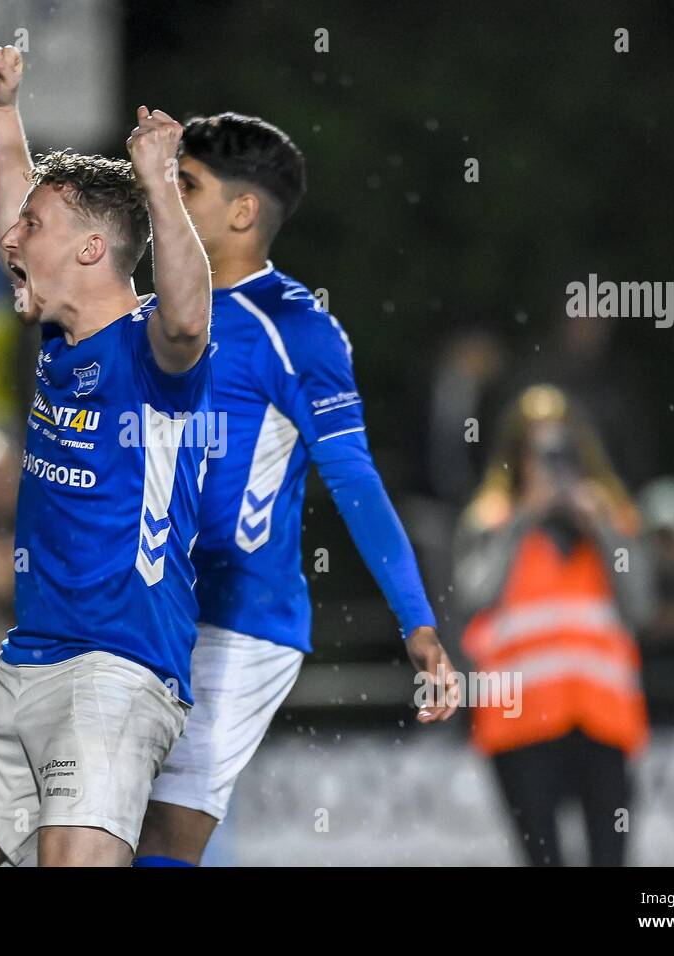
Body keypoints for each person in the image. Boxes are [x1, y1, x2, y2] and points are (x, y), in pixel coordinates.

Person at [0, 45, 212, 867]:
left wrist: (163, 187)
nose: (13, 240)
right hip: (28, 657)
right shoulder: (62, 339)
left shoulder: (150, 345)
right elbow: (14, 232)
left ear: (94, 251)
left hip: (118, 667)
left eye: (36, 226)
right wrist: (0, 117)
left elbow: (190, 316)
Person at [132, 113, 457, 867]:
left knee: (165, 838)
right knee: (94, 829)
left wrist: (416, 620)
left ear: (243, 212)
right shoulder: (151, 317)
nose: (167, 201)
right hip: (147, 609)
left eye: (187, 187)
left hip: (241, 620)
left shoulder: (297, 328)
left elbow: (354, 477)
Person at [453, 384, 654, 866]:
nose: (551, 467)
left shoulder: (611, 517)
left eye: (562, 453)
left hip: (601, 718)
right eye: (538, 453)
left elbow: (641, 607)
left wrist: (600, 528)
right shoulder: (492, 520)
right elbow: (473, 597)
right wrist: (524, 519)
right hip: (520, 724)